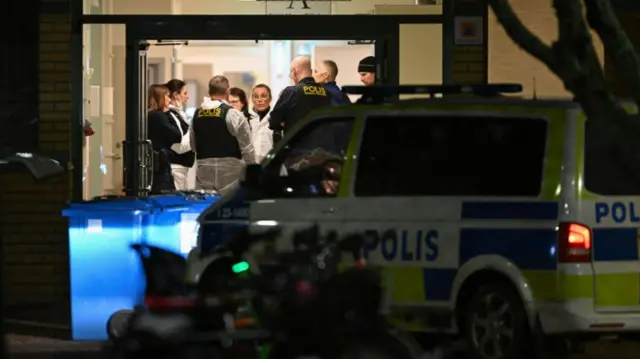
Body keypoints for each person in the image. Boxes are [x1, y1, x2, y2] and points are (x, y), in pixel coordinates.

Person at [189, 75, 256, 195]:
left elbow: (193, 146)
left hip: (204, 171)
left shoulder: (196, 115)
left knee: (205, 207)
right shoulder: (233, 115)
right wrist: (254, 171)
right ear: (227, 91)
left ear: (209, 92)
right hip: (231, 172)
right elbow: (247, 148)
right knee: (229, 208)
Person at [269, 56, 331, 145]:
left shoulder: (291, 92)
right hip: (322, 149)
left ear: (294, 71)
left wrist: (285, 122)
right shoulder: (326, 92)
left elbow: (274, 121)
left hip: (297, 149)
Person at [147, 84, 181, 193]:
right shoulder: (159, 116)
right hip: (161, 162)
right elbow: (177, 136)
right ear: (160, 98)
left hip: (151, 162)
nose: (169, 100)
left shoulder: (148, 115)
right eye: (167, 96)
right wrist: (170, 115)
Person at [165, 79, 195, 190]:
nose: (187, 97)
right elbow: (179, 146)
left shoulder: (179, 114)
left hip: (182, 167)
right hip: (175, 166)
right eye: (185, 93)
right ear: (176, 95)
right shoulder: (169, 115)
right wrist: (194, 129)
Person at [249, 84, 274, 163]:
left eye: (263, 96)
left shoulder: (276, 118)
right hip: (251, 165)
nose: (259, 100)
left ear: (270, 98)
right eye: (256, 96)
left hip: (271, 164)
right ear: (252, 99)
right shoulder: (245, 118)